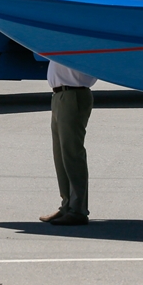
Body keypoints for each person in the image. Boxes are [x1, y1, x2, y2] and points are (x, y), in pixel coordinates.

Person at [39, 60, 97, 226]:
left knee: (72, 153)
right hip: (60, 95)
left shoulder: (78, 39)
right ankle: (67, 205)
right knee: (61, 154)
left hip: (73, 94)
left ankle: (77, 210)